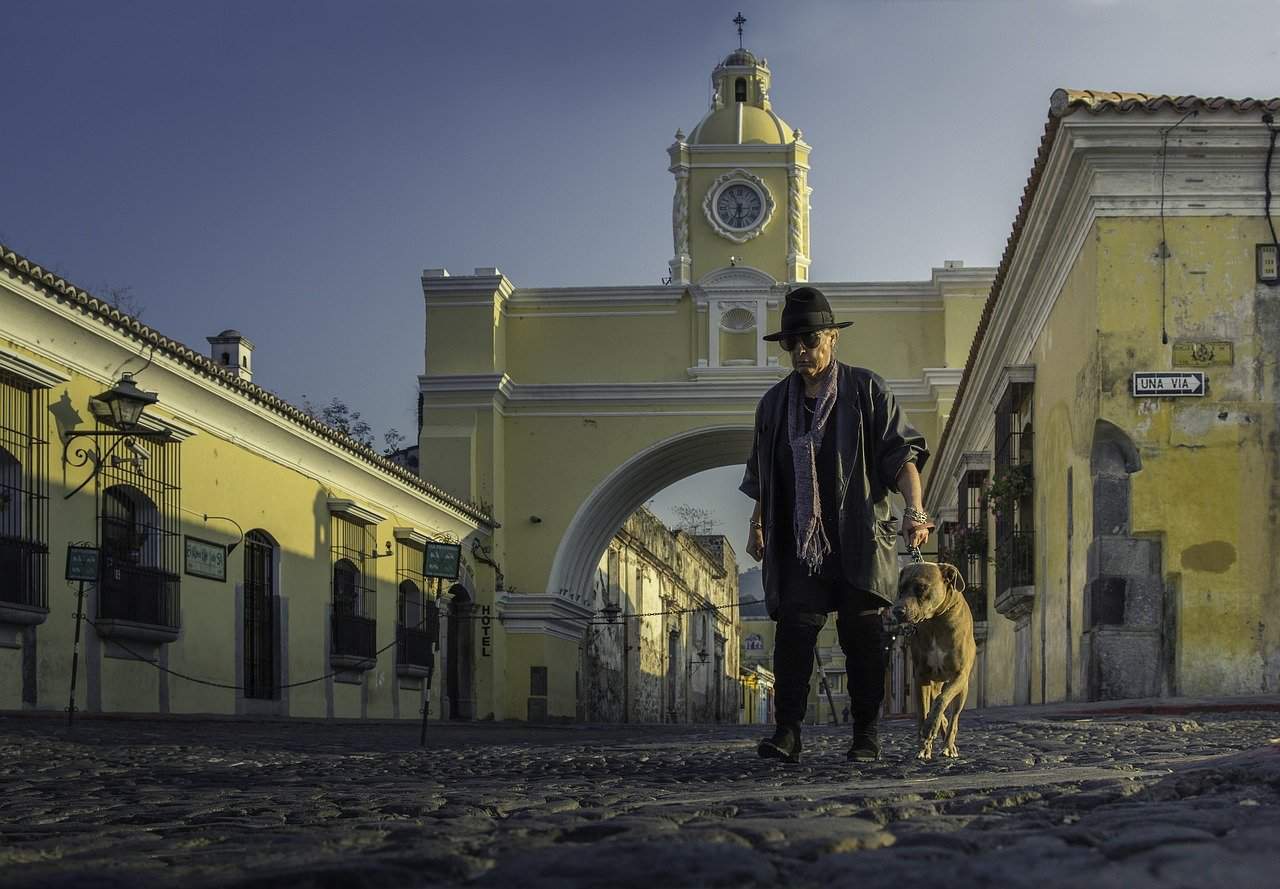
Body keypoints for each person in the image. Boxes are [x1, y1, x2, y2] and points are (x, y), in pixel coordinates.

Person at [740, 286, 932, 764]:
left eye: (809, 340)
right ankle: (788, 732)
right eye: (791, 343)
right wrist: (758, 523)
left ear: (832, 338)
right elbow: (765, 473)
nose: (801, 351)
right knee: (794, 636)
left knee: (863, 638)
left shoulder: (867, 390)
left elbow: (900, 456)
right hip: (798, 542)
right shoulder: (772, 406)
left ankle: (865, 734)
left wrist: (915, 510)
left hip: (859, 537)